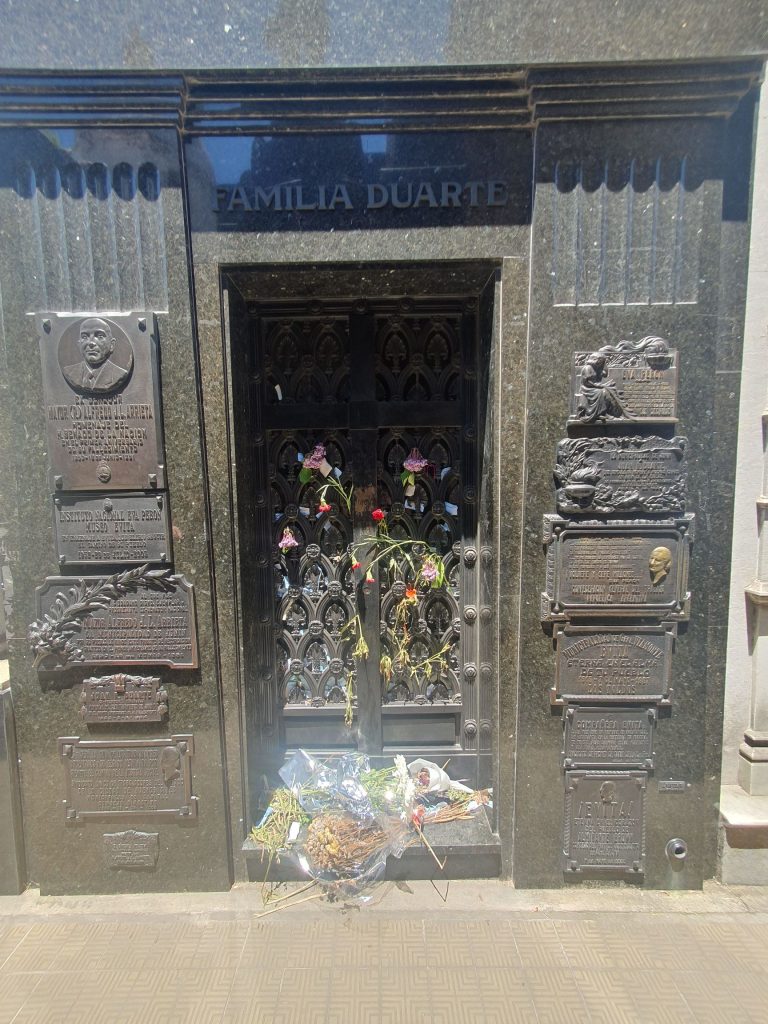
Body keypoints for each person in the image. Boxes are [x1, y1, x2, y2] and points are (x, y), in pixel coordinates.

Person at [62, 317, 132, 394]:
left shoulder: (119, 374)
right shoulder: (69, 372)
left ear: (112, 345)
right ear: (79, 344)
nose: (91, 342)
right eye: (85, 337)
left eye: (100, 336)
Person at [574, 347, 630, 422]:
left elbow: (605, 374)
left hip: (595, 386)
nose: (600, 362)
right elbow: (587, 382)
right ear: (595, 360)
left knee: (609, 390)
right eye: (600, 360)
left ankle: (614, 412)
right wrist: (597, 385)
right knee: (601, 392)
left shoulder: (597, 368)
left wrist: (604, 364)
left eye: (602, 361)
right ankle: (600, 413)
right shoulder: (587, 368)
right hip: (587, 388)